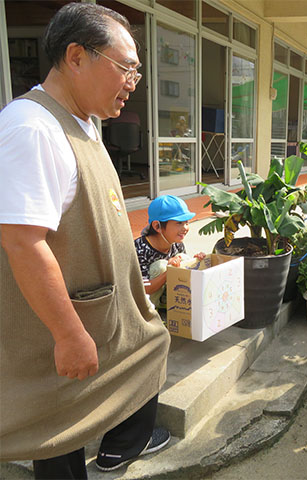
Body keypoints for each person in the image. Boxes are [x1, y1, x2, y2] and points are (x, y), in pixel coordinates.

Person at [0, 4, 171, 478]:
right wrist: (68, 333)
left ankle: (117, 446)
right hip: (67, 319)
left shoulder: (84, 123)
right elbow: (22, 243)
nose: (133, 81)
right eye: (126, 68)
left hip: (98, 305)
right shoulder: (32, 128)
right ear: (76, 57)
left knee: (146, 351)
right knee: (55, 428)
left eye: (137, 70)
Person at [135, 195, 205, 311]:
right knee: (161, 266)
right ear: (157, 226)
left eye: (186, 222)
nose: (185, 228)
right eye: (179, 223)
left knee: (182, 258)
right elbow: (143, 289)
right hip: (144, 301)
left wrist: (196, 261)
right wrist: (168, 271)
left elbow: (182, 267)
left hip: (164, 294)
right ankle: (151, 314)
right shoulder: (140, 249)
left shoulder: (176, 243)